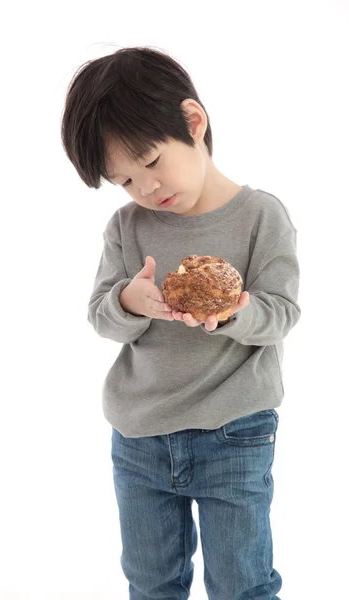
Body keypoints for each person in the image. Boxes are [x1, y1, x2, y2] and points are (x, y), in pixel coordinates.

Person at [61, 46, 301, 600]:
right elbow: (100, 314)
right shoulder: (128, 227)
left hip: (235, 433)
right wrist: (130, 300)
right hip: (139, 437)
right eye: (123, 180)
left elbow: (282, 313)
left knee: (242, 583)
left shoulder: (261, 215)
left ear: (193, 123)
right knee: (151, 582)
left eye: (149, 162)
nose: (145, 189)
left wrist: (235, 309)